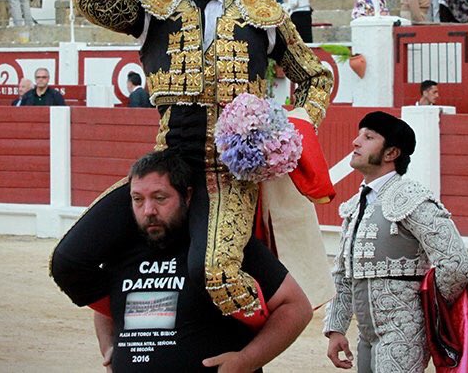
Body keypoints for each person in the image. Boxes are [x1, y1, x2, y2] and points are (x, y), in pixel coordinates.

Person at [52, 0, 332, 330]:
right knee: (69, 260)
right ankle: (136, 326)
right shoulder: (153, 12)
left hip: (230, 174)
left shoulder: (263, 15)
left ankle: (241, 354)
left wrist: (293, 125)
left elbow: (314, 77)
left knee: (219, 274)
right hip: (166, 169)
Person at [93, 150, 312, 371]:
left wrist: (246, 361)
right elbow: (107, 307)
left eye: (160, 198)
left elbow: (296, 307)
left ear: (187, 196)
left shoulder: (224, 246)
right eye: (138, 200)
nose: (148, 210)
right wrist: (109, 347)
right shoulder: (122, 248)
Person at [324, 111, 468, 373]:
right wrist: (336, 329)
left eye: (368, 137)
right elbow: (343, 275)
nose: (356, 142)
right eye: (359, 135)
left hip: (403, 334)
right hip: (366, 337)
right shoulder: (356, 205)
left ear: (391, 153)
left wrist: (427, 310)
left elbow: (456, 264)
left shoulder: (411, 198)